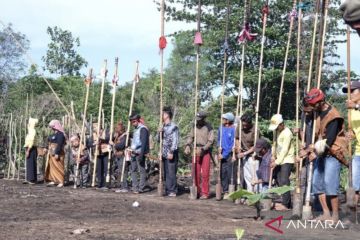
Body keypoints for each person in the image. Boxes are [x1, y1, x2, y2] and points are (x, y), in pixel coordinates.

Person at [304, 88, 349, 222]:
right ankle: (326, 213)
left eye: (313, 105)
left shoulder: (334, 116)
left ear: (320, 102)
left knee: (330, 184)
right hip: (321, 154)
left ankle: (335, 216)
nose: (311, 107)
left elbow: (327, 142)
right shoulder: (316, 112)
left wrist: (313, 152)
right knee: (317, 184)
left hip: (332, 153)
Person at [185, 111, 214, 199]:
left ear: (204, 119)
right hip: (195, 150)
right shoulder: (194, 126)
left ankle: (205, 193)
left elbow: (211, 141)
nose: (198, 121)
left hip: (205, 151)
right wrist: (187, 145)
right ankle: (196, 191)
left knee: (205, 173)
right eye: (197, 119)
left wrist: (204, 148)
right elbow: (190, 137)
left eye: (200, 120)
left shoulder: (208, 127)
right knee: (195, 172)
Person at [269, 114, 295, 211]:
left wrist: (277, 162)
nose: (276, 129)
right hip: (279, 159)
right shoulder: (276, 131)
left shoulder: (287, 133)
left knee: (284, 180)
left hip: (287, 159)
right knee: (279, 180)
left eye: (277, 126)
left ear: (281, 124)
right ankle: (284, 200)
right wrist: (273, 155)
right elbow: (274, 144)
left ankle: (286, 204)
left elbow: (284, 150)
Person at [344, 81, 360, 210]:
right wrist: (351, 135)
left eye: (352, 91)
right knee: (355, 180)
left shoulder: (355, 107)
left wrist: (356, 106)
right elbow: (356, 130)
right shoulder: (351, 111)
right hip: (359, 150)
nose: (349, 94)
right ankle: (353, 209)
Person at [157, 107, 179, 197]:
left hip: (171, 152)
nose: (161, 115)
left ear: (167, 115)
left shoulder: (174, 127)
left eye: (162, 114)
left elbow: (175, 140)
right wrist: (159, 132)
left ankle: (172, 190)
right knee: (165, 171)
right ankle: (168, 189)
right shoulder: (162, 126)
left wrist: (171, 151)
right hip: (163, 152)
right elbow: (158, 140)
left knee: (171, 171)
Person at [235, 113, 260, 192]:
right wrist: (238, 146)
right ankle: (249, 193)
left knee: (254, 176)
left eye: (246, 125)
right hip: (244, 154)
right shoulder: (240, 126)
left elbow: (256, 145)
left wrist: (245, 153)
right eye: (243, 125)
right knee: (247, 176)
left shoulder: (255, 130)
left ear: (250, 123)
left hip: (253, 155)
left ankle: (256, 193)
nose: (244, 126)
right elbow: (237, 138)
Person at [129, 113, 149, 194]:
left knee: (141, 170)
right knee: (133, 170)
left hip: (139, 152)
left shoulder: (143, 129)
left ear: (138, 120)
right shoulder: (135, 129)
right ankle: (135, 187)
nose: (132, 123)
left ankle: (141, 187)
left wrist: (141, 154)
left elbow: (144, 142)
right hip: (133, 152)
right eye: (131, 122)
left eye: (134, 121)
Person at [217, 112, 236, 196]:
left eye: (224, 119)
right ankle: (225, 191)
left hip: (229, 154)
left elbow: (232, 143)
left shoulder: (233, 129)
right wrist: (218, 148)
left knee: (230, 172)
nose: (222, 120)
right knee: (222, 172)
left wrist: (224, 155)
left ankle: (231, 190)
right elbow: (218, 139)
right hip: (221, 153)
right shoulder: (221, 128)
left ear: (228, 121)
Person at [45, 120, 66, 187]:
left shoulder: (61, 134)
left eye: (53, 127)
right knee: (52, 167)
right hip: (51, 153)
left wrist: (57, 153)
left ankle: (61, 181)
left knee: (59, 167)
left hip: (58, 153)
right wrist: (46, 148)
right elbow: (49, 142)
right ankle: (53, 180)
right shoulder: (53, 134)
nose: (52, 128)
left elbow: (59, 144)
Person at [113, 122, 130, 193]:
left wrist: (114, 144)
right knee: (120, 171)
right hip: (118, 155)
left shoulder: (125, 136)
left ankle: (125, 186)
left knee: (124, 171)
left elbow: (121, 146)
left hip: (123, 155)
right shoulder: (119, 137)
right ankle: (121, 186)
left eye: (118, 130)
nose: (117, 131)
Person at [92, 123, 110, 190]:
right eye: (94, 128)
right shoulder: (94, 134)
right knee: (99, 169)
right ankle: (99, 183)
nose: (95, 129)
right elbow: (89, 142)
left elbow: (108, 138)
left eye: (96, 128)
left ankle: (106, 184)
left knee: (106, 168)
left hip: (106, 153)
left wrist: (101, 138)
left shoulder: (106, 132)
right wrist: (94, 143)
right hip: (98, 153)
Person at [23, 117, 39, 184]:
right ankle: (31, 179)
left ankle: (31, 179)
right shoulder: (31, 131)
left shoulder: (32, 131)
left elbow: (31, 141)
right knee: (30, 163)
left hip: (31, 148)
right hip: (30, 148)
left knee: (31, 163)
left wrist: (28, 150)